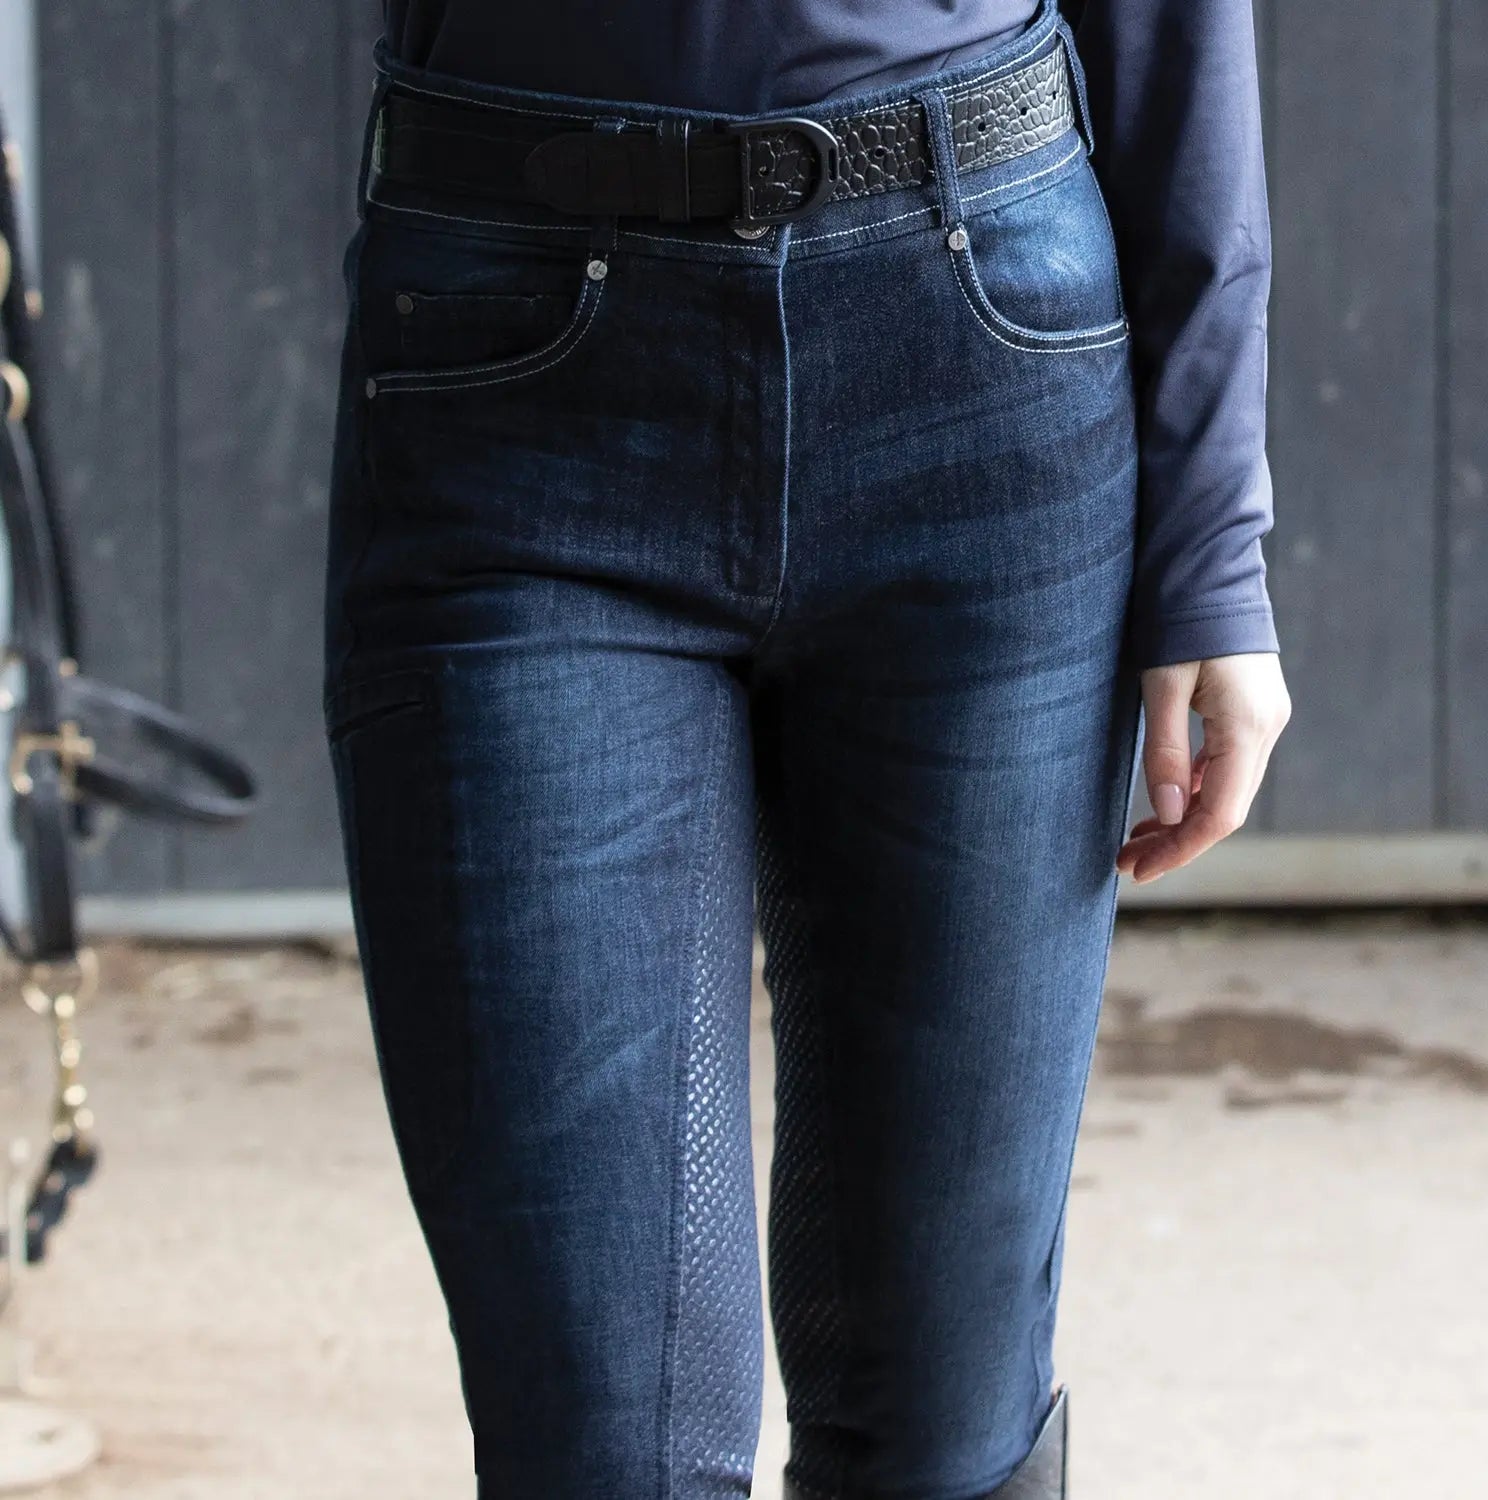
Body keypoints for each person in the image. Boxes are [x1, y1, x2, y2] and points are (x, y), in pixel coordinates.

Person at [320, 0, 1293, 1494]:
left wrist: (1212, 544)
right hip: (518, 382)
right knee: (605, 1441)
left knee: (947, 1425)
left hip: (981, 367)